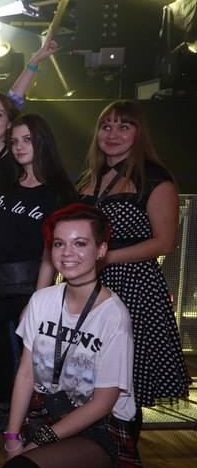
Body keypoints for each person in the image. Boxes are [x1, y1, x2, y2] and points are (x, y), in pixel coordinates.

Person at [0, 203, 156, 468]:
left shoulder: (114, 316)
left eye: (80, 243)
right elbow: (26, 373)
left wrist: (39, 441)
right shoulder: (42, 301)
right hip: (46, 414)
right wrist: (12, 436)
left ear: (101, 250)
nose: (67, 252)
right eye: (59, 243)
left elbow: (102, 404)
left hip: (98, 429)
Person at [78, 101, 190, 411]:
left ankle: (124, 442)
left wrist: (106, 259)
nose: (112, 134)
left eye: (123, 126)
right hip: (88, 284)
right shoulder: (89, 178)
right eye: (106, 126)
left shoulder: (155, 179)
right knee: (89, 372)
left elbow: (165, 243)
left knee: (128, 379)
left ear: (139, 133)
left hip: (134, 286)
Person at [0, 114, 78, 431]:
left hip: (31, 287)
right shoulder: (2, 181)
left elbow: (51, 252)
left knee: (32, 358)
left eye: (27, 139)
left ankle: (32, 421)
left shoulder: (59, 192)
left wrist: (37, 299)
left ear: (42, 141)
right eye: (14, 141)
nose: (19, 147)